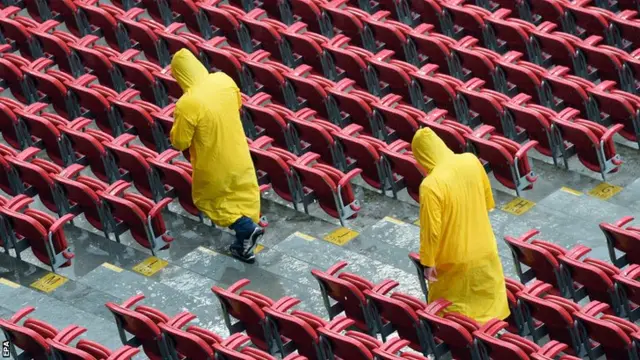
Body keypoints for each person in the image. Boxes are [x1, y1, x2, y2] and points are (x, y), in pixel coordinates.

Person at [169, 49, 263, 263]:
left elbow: (180, 141)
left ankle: (245, 228)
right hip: (239, 152)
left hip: (213, 162)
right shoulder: (223, 80)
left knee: (208, 199)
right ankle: (244, 245)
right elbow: (238, 104)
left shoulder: (187, 103)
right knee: (245, 193)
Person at [412, 128, 509, 324]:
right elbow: (488, 202)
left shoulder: (431, 185)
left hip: (453, 260)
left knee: (457, 316)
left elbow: (431, 230)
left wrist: (428, 262)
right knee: (490, 309)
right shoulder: (470, 160)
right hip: (485, 250)